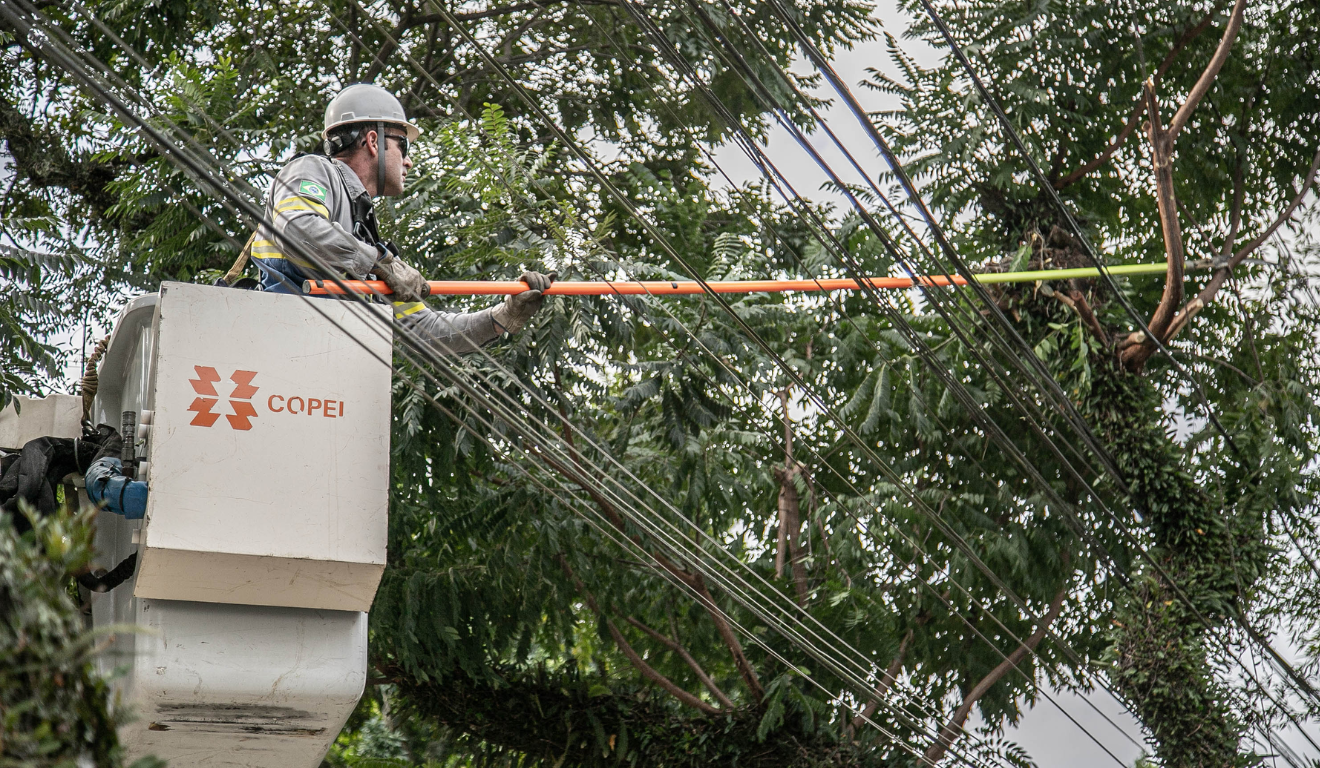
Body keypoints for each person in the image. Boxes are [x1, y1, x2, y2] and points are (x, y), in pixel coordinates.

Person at [251, 83, 552, 354]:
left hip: (323, 368)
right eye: (403, 146)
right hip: (279, 346)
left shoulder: (363, 234)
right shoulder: (314, 170)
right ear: (372, 140)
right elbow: (298, 229)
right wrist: (382, 262)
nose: (408, 160)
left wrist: (503, 316)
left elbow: (425, 330)